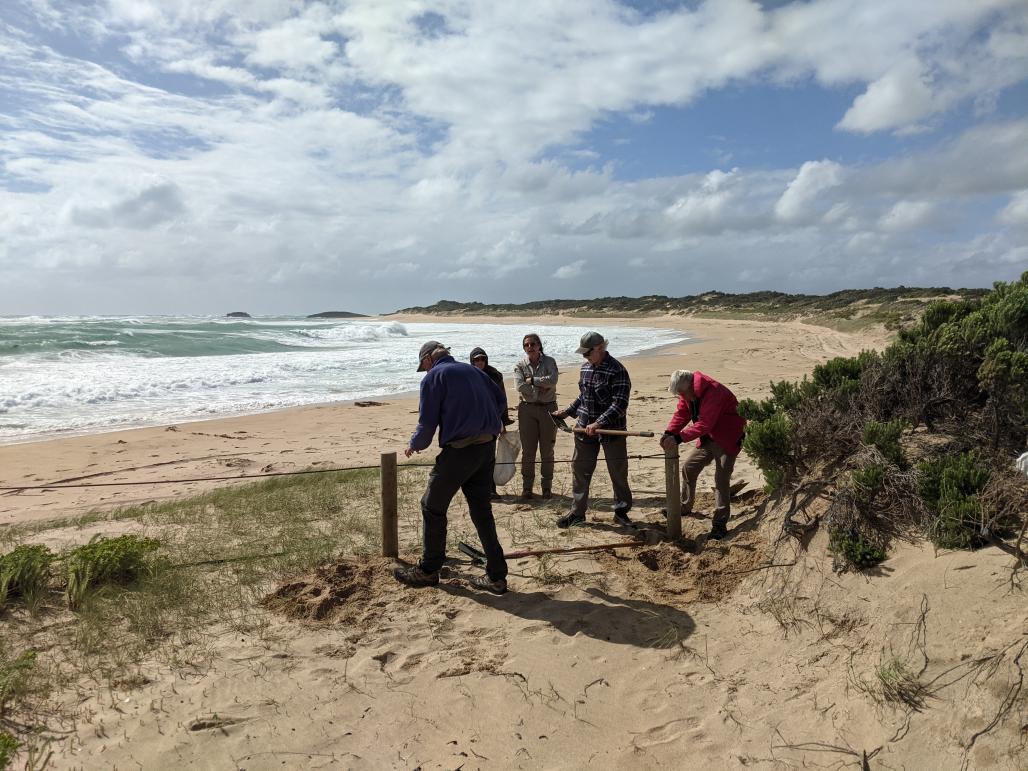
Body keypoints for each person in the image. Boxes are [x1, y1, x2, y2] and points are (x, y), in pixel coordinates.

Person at [394, 340, 509, 594]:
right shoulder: (477, 372)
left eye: (423, 367)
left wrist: (416, 444)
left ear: (427, 359)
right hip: (486, 448)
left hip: (461, 451)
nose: (424, 371)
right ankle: (496, 576)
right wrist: (482, 420)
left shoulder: (434, 377)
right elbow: (501, 402)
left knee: (431, 505)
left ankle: (428, 570)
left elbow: (427, 422)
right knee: (481, 510)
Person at [551, 331, 633, 528]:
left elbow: (620, 404)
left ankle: (621, 512)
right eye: (583, 354)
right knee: (580, 470)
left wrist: (599, 423)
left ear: (600, 348)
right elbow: (584, 397)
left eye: (587, 353)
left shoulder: (617, 370)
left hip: (612, 430)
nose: (585, 357)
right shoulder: (585, 368)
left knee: (618, 472)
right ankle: (577, 513)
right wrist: (568, 412)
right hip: (584, 428)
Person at [659, 369, 747, 540]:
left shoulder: (714, 392)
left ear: (690, 386)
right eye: (680, 395)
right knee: (688, 468)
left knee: (721, 480)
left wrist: (678, 438)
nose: (682, 397)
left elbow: (704, 424)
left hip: (728, 437)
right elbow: (682, 413)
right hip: (709, 438)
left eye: (682, 394)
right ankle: (684, 507)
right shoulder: (688, 393)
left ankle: (720, 525)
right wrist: (669, 432)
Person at [513, 333, 559, 499]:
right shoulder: (520, 365)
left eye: (533, 344)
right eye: (526, 345)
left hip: (549, 409)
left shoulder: (550, 361)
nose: (530, 347)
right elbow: (519, 386)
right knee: (528, 452)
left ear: (539, 345)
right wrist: (540, 387)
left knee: (547, 450)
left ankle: (547, 487)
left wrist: (532, 381)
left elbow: (553, 381)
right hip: (527, 410)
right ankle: (527, 488)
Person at [470, 347, 514, 500]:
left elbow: (502, 399)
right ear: (472, 361)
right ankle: (475, 489)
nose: (479, 362)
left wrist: (502, 421)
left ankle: (491, 489)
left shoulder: (495, 375)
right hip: (473, 423)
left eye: (482, 359)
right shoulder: (466, 375)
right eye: (476, 360)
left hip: (491, 421)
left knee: (489, 457)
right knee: (473, 456)